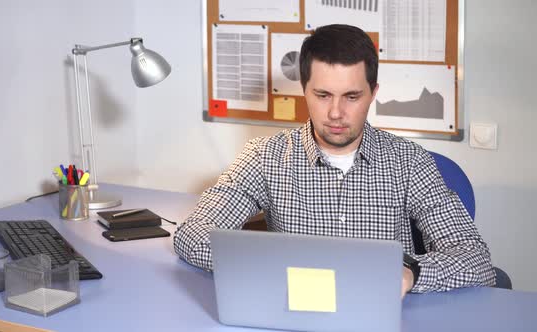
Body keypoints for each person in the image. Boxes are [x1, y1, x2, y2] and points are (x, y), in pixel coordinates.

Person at [174, 24, 495, 296]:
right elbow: (192, 233)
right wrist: (265, 264)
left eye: (352, 97)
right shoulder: (263, 157)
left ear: (373, 92)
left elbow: (476, 259)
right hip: (293, 312)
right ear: (304, 90)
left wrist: (410, 273)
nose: (336, 113)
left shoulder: (410, 162)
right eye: (323, 95)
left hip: (384, 316)